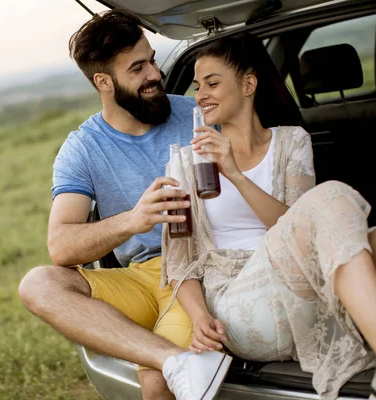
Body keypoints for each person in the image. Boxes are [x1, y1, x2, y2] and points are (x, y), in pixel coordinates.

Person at [161, 32, 376, 400]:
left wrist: (236, 173)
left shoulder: (292, 141)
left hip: (303, 282)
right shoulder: (186, 161)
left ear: (248, 85)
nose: (200, 95)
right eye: (198, 86)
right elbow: (180, 263)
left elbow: (300, 228)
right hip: (240, 305)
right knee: (327, 197)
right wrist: (199, 318)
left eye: (212, 83)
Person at [18, 9, 232, 400]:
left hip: (196, 269)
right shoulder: (81, 148)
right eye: (137, 68)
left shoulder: (198, 114)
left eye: (151, 59)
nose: (154, 74)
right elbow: (61, 247)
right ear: (103, 81)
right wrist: (133, 220)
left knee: (154, 383)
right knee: (38, 283)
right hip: (141, 277)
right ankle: (172, 358)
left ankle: (166, 363)